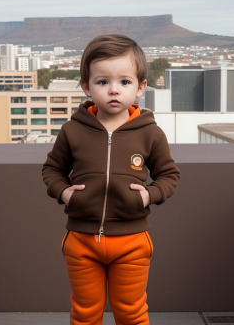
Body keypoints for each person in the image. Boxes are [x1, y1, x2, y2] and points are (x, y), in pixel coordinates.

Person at [42, 34, 180, 325]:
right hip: (81, 241)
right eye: (102, 82)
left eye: (124, 82)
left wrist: (148, 195)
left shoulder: (150, 133)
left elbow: (168, 175)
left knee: (131, 313)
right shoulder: (72, 130)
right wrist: (65, 193)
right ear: (86, 87)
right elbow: (52, 170)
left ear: (141, 87)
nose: (113, 90)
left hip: (132, 242)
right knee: (85, 314)